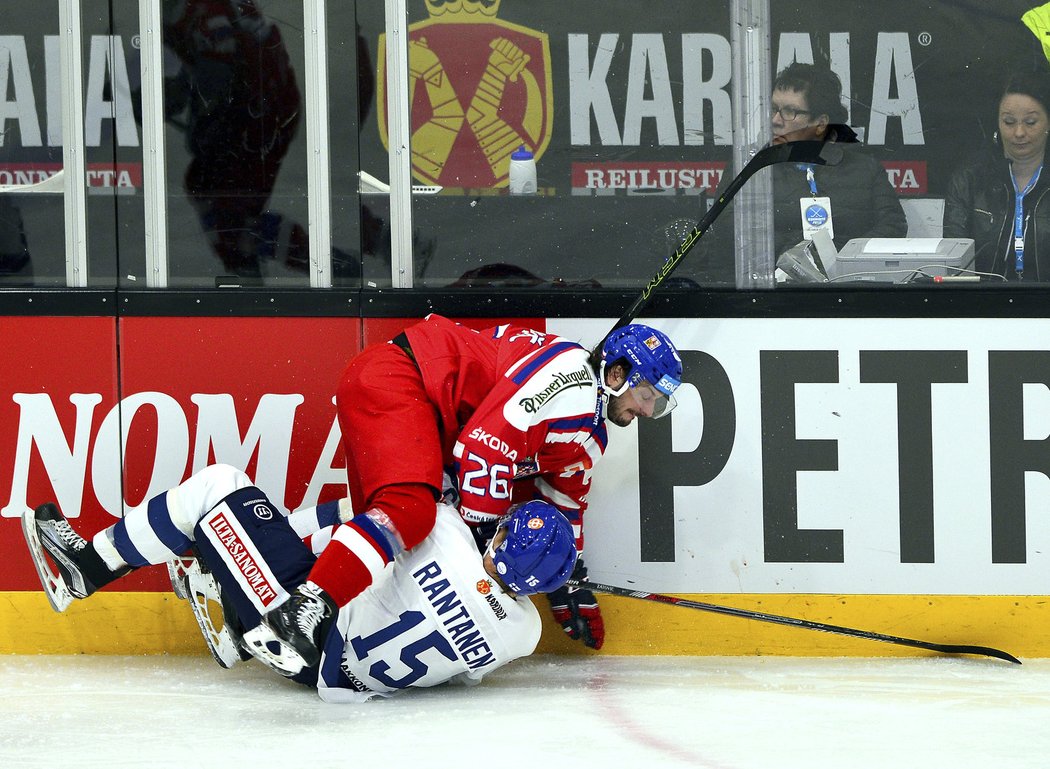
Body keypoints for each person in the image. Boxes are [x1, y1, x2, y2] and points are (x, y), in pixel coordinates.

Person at [246, 314, 680, 667]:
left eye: (655, 403)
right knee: (409, 512)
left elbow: (562, 500)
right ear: (617, 371)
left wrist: (565, 575)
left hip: (414, 401)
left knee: (385, 528)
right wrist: (481, 533)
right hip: (402, 380)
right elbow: (483, 447)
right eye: (644, 395)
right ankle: (302, 615)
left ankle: (253, 553)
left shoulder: (590, 431)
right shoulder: (571, 382)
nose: (646, 410)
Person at [21, 463, 578, 702]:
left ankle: (82, 572)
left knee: (218, 486)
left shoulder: (447, 530)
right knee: (356, 533)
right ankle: (229, 590)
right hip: (341, 678)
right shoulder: (523, 638)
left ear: (504, 538)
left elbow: (375, 528)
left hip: (295, 631)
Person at [767, 62, 907, 256]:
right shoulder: (753, 169)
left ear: (821, 124)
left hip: (849, 280)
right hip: (778, 280)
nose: (775, 120)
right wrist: (799, 254)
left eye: (790, 111)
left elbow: (893, 227)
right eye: (773, 108)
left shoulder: (866, 169)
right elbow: (732, 229)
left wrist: (839, 257)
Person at [944, 71, 1050, 281]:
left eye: (1030, 122)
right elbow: (954, 264)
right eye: (1009, 122)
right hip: (985, 303)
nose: (1019, 133)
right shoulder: (969, 180)